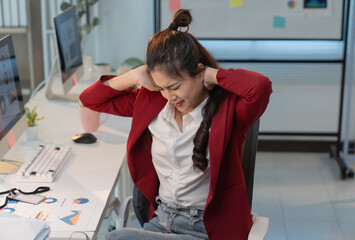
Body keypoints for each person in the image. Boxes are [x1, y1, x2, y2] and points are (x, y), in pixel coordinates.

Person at [80, 9, 272, 240]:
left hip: (208, 229)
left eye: (175, 86)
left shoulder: (229, 110)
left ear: (199, 72)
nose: (170, 96)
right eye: (162, 87)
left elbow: (260, 87)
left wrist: (213, 75)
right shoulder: (152, 102)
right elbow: (89, 100)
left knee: (114, 237)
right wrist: (132, 76)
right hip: (161, 221)